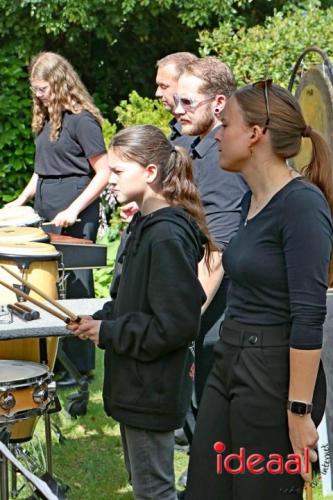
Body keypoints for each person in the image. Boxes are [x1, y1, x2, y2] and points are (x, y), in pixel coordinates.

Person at [184, 81, 333, 500]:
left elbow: (309, 315)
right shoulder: (249, 199)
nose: (217, 134)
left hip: (272, 378)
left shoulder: (302, 204)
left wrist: (299, 411)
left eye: (225, 123)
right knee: (204, 488)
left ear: (255, 134)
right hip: (230, 359)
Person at [67, 124, 217, 500]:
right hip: (136, 386)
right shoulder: (144, 225)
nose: (109, 180)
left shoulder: (166, 235)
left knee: (154, 492)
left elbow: (177, 324)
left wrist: (109, 333)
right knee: (144, 488)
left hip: (151, 388)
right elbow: (135, 301)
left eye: (117, 172)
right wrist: (99, 320)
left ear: (150, 173)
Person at [6, 52, 110, 383]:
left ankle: (81, 369)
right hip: (48, 207)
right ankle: (57, 363)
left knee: (76, 289)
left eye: (43, 88)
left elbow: (104, 172)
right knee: (51, 288)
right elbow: (42, 171)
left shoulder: (83, 120)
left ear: (61, 83)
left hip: (76, 210)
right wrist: (19, 201)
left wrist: (75, 209)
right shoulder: (45, 121)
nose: (38, 95)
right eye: (34, 89)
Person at [174, 57, 248, 421]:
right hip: (205, 304)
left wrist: (186, 316)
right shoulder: (200, 148)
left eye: (188, 102)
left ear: (219, 104)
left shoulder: (222, 158)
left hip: (222, 312)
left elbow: (216, 249)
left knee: (216, 414)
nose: (177, 110)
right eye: (177, 100)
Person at [155, 52, 197, 147]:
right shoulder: (177, 134)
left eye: (164, 86)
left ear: (184, 84)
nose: (157, 93)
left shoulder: (198, 137)